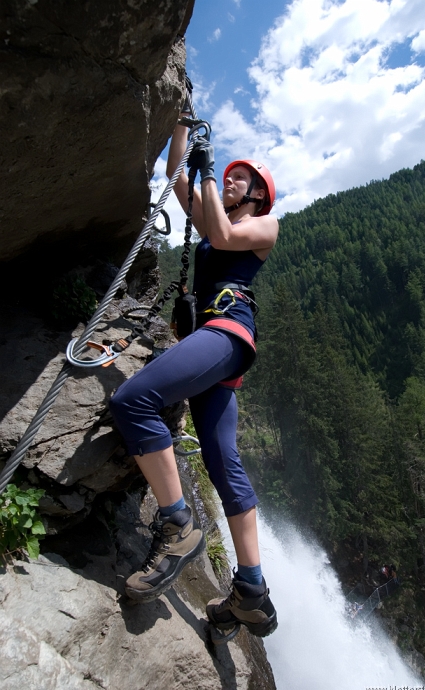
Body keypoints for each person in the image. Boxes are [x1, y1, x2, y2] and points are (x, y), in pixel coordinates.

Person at [108, 101, 279, 638]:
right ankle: (251, 589)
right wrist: (183, 128)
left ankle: (178, 523)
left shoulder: (265, 226)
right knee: (224, 462)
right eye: (227, 177)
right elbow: (174, 175)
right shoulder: (212, 221)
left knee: (132, 399)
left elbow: (226, 239)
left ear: (258, 195)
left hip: (226, 334)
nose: (229, 181)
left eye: (239, 179)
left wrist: (208, 169)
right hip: (214, 345)